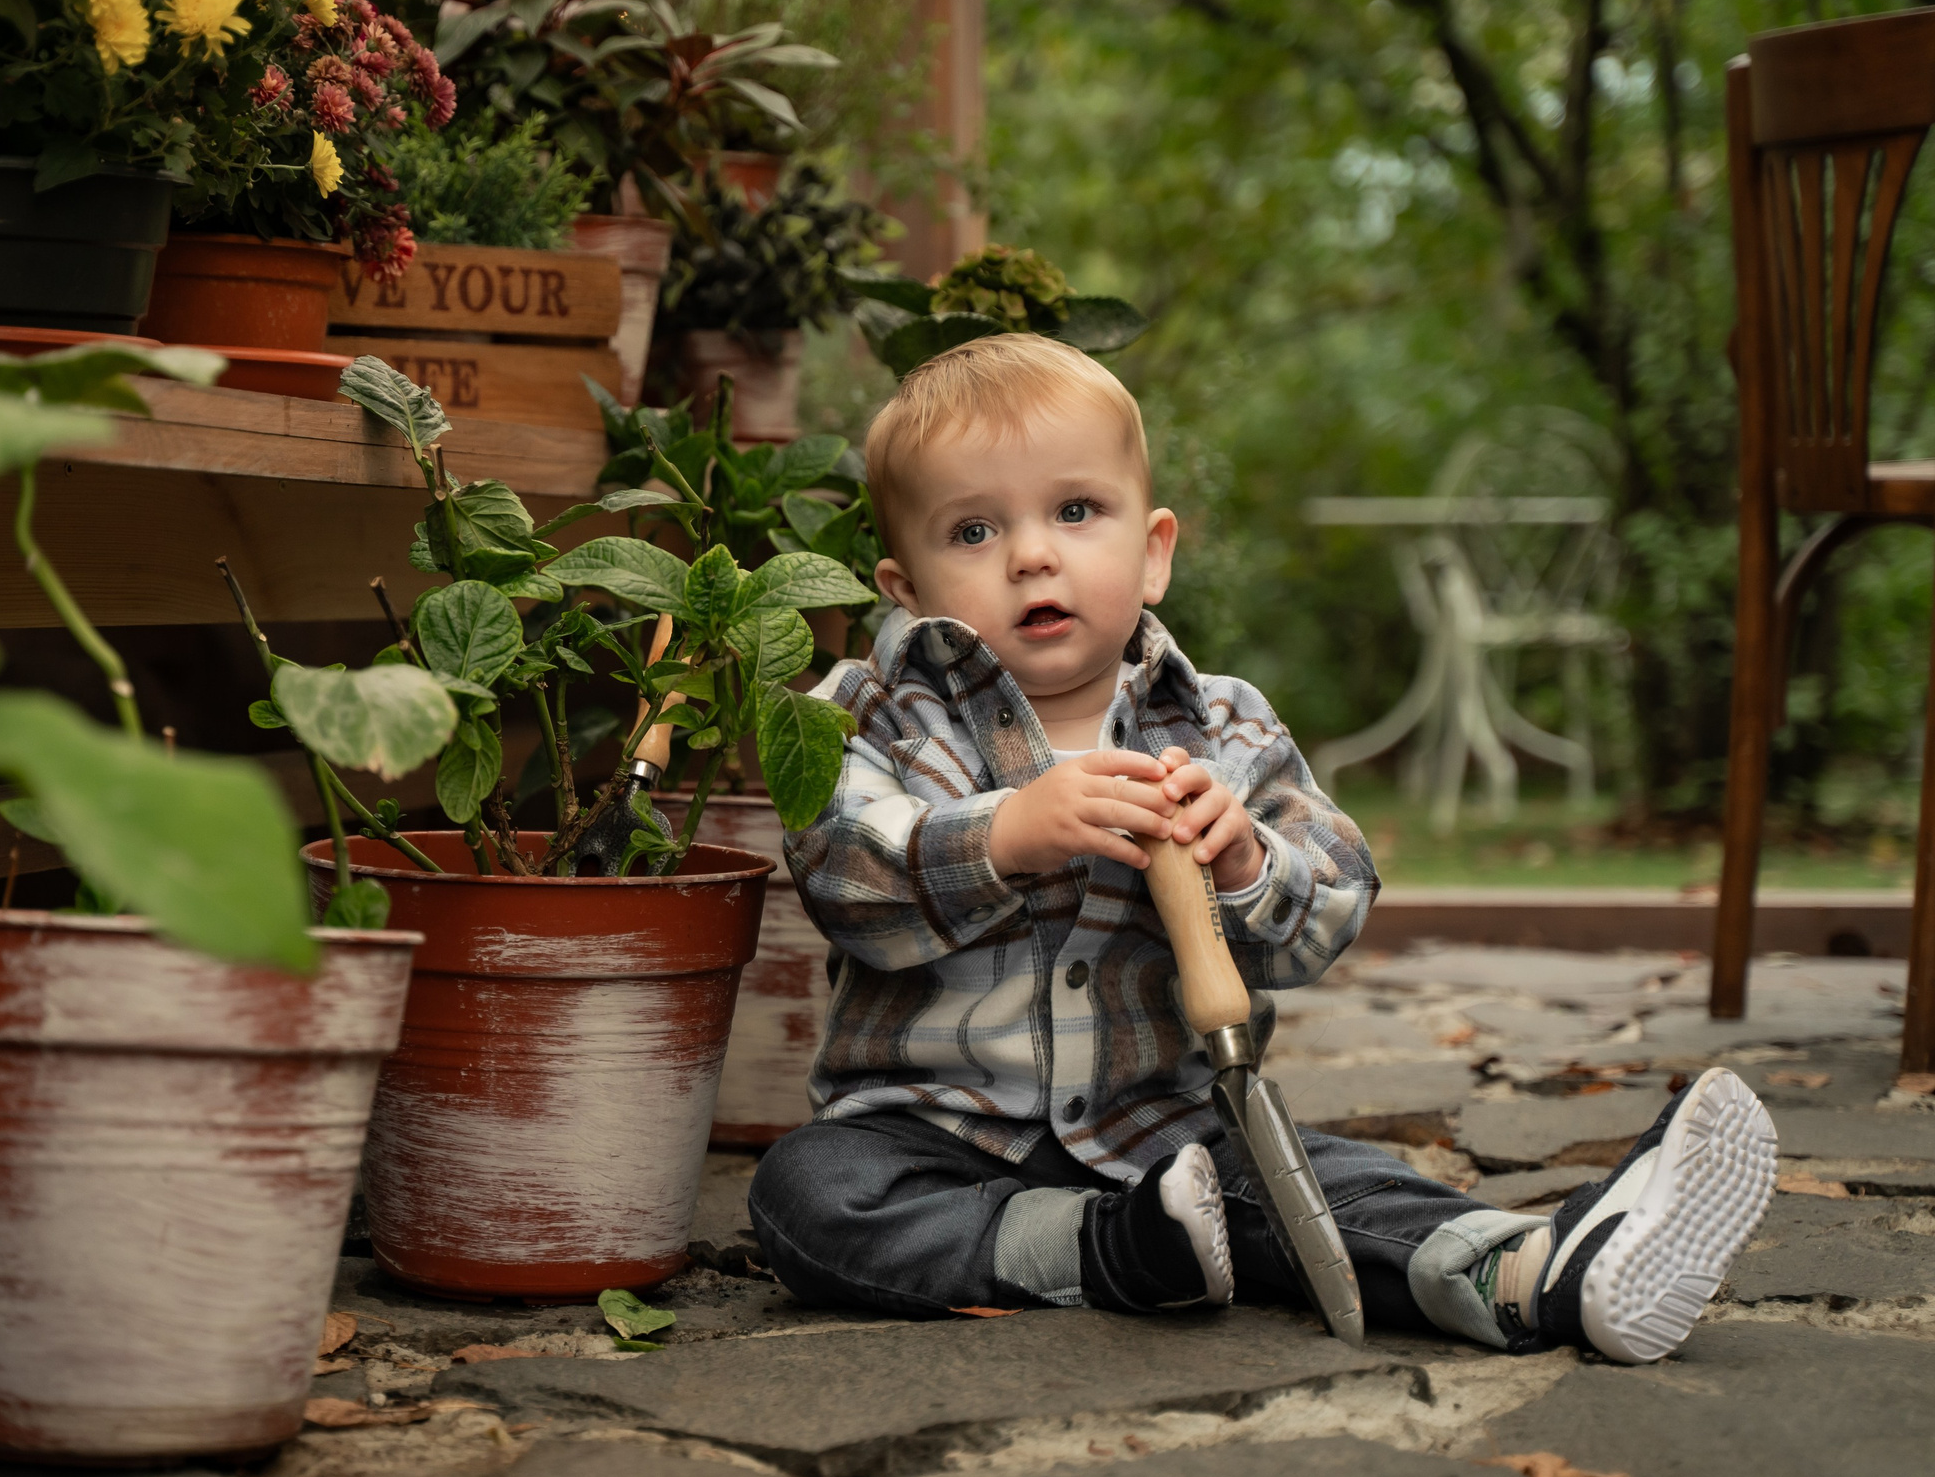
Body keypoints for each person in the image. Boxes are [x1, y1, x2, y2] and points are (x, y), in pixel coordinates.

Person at [749, 333, 1777, 1363]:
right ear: (906, 586)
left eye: (1074, 511)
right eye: (972, 530)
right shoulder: (872, 716)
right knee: (807, 1195)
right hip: (933, 1138)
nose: (1032, 554)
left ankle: (1535, 1271)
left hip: (1171, 1132)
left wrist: (1244, 863)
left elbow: (1329, 905)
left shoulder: (1223, 729)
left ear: (1153, 551)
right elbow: (842, 876)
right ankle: (1107, 1251)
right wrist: (1003, 834)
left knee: (1316, 1182)